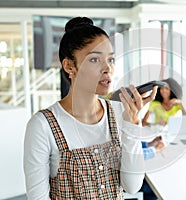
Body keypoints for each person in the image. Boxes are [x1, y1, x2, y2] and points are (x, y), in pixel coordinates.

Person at [23, 17, 158, 199]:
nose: (107, 68)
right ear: (70, 66)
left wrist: (133, 126)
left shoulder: (119, 113)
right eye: (95, 59)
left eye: (110, 59)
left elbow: (132, 187)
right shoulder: (42, 125)